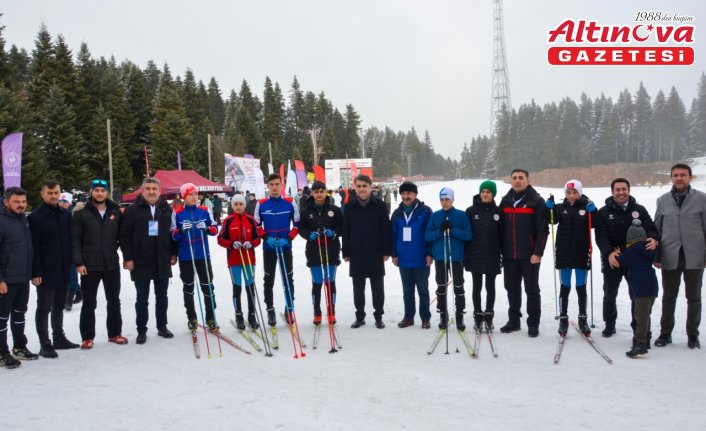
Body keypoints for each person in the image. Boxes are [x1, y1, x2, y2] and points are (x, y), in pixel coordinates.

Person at [594, 178, 659, 338]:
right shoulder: (603, 212)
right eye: (618, 189)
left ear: (628, 190)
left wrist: (653, 238)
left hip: (635, 260)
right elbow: (600, 236)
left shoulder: (639, 210)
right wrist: (608, 253)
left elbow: (651, 227)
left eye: (624, 189)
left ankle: (637, 326)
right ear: (612, 191)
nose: (621, 192)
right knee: (609, 293)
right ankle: (610, 324)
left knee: (636, 294)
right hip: (613, 258)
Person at [653, 163, 706, 349]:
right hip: (670, 255)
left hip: (695, 255)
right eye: (675, 175)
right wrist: (656, 255)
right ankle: (665, 333)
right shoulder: (662, 200)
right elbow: (656, 230)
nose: (679, 178)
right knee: (669, 296)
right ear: (671, 178)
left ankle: (693, 335)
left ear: (690, 177)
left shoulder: (702, 199)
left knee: (694, 297)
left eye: (683, 175)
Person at [119, 177, 178, 345]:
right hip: (141, 260)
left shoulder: (167, 209)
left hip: (162, 258)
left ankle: (162, 326)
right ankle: (141, 330)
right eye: (148, 189)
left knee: (162, 297)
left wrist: (173, 253)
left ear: (159, 191)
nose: (152, 192)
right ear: (142, 191)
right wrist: (128, 258)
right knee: (142, 299)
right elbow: (124, 235)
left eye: (155, 189)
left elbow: (173, 232)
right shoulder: (132, 210)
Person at [71, 178, 127, 349]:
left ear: (107, 192)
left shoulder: (115, 212)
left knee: (114, 301)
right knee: (89, 302)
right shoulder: (81, 214)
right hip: (90, 266)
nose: (100, 193)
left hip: (111, 264)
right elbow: (75, 241)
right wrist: (78, 262)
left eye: (103, 190)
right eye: (96, 190)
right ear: (91, 192)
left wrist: (123, 254)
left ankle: (114, 333)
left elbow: (122, 236)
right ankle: (87, 337)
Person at [28, 180, 80, 357]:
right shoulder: (35, 217)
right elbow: (32, 248)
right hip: (45, 271)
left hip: (64, 268)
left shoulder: (65, 214)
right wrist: (35, 272)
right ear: (42, 194)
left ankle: (59, 338)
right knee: (44, 308)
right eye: (49, 193)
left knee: (59, 305)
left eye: (56, 193)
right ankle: (45, 343)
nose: (53, 196)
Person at [498, 169, 548, 337]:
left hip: (530, 255)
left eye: (521, 178)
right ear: (510, 181)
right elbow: (499, 229)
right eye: (514, 178)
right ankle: (514, 321)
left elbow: (543, 229)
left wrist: (538, 252)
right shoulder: (505, 202)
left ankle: (533, 323)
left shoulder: (536, 201)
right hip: (509, 255)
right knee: (511, 288)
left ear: (528, 180)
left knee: (532, 289)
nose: (517, 181)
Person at [546, 180, 596, 336]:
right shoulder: (561, 208)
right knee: (565, 286)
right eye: (568, 192)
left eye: (575, 192)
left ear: (580, 193)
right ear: (565, 194)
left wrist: (593, 211)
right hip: (563, 253)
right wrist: (550, 209)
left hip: (581, 252)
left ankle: (583, 318)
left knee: (581, 286)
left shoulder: (586, 206)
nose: (572, 195)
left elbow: (595, 223)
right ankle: (563, 318)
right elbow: (551, 221)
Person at [343, 174, 393, 329]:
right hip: (356, 252)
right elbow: (346, 231)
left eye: (365, 186)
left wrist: (386, 250)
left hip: (375, 252)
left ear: (370, 187)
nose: (362, 189)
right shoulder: (350, 206)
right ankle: (360, 316)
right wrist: (346, 251)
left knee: (377, 286)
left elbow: (386, 230)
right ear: (355, 187)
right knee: (358, 287)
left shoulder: (380, 205)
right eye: (359, 186)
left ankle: (378, 316)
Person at [172, 183, 219, 333]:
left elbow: (215, 229)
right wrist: (181, 230)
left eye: (195, 193)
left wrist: (206, 228)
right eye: (190, 194)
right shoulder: (178, 213)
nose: (194, 197)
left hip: (202, 255)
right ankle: (191, 318)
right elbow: (173, 235)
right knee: (189, 288)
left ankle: (211, 318)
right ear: (184, 197)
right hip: (186, 256)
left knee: (208, 287)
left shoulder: (204, 211)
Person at [0, 187, 39, 368]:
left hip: (22, 277)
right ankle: (2, 352)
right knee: (2, 317)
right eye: (16, 202)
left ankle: (19, 346)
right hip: (6, 280)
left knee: (19, 314)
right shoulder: (1, 220)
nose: (21, 205)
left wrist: (32, 273)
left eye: (23, 202)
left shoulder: (23, 220)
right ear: (6, 201)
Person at [254, 173, 300, 326]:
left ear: (282, 185)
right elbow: (257, 225)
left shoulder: (290, 202)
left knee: (288, 279)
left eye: (277, 184)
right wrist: (267, 238)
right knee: (269, 279)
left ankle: (289, 308)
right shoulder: (261, 204)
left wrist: (289, 238)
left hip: (285, 246)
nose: (274, 187)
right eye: (271, 184)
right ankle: (270, 309)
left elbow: (298, 224)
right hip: (269, 247)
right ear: (268, 186)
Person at [425, 187, 472, 330]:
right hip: (440, 257)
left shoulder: (461, 215)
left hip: (456, 257)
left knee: (458, 286)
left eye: (447, 199)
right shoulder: (435, 216)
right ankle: (443, 315)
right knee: (441, 287)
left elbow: (468, 235)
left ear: (452, 200)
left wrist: (453, 230)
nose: (444, 202)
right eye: (442, 199)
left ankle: (459, 316)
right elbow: (427, 236)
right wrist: (440, 231)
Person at [298, 181, 343, 325]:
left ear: (326, 192)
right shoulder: (306, 211)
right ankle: (317, 312)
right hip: (314, 252)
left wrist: (334, 232)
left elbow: (342, 227)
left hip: (331, 251)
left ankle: (331, 312)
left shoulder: (335, 209)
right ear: (312, 193)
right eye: (316, 191)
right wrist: (308, 234)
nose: (319, 194)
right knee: (317, 282)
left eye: (321, 191)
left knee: (330, 282)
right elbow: (301, 229)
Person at [391, 181, 433, 329]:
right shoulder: (396, 213)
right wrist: (394, 254)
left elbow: (430, 234)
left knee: (423, 290)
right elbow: (393, 236)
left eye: (408, 193)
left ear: (415, 194)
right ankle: (408, 317)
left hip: (421, 258)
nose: (405, 196)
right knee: (407, 291)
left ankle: (425, 318)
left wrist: (430, 253)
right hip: (403, 259)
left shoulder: (426, 211)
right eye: (403, 193)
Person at [217, 194, 261, 330]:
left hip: (249, 259)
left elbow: (258, 238)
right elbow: (220, 239)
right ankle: (239, 315)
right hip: (234, 259)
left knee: (250, 287)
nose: (238, 206)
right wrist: (231, 244)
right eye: (235, 204)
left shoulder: (251, 220)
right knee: (237, 287)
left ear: (244, 205)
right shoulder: (228, 221)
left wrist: (251, 243)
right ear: (232, 206)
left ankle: (252, 315)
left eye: (240, 204)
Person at [464, 180, 502, 331]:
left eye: (488, 192)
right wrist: (466, 254)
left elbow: (502, 235)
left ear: (493, 194)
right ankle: (478, 315)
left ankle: (489, 315)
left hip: (493, 254)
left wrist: (502, 254)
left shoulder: (499, 212)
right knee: (477, 286)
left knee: (490, 285)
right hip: (475, 254)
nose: (485, 194)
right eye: (483, 191)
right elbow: (467, 235)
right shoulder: (471, 211)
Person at [618, 220, 659, 358]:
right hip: (652, 287)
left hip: (641, 288)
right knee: (646, 314)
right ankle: (646, 340)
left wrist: (618, 252)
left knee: (640, 316)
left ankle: (640, 344)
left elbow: (621, 261)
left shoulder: (632, 250)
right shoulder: (648, 248)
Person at [59, 193, 82, 311]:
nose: (61, 204)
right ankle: (78, 291)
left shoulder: (73, 215)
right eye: (60, 201)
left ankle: (69, 300)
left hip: (73, 250)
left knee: (72, 275)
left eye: (64, 202)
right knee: (66, 275)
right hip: (62, 251)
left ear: (69, 203)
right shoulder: (57, 215)